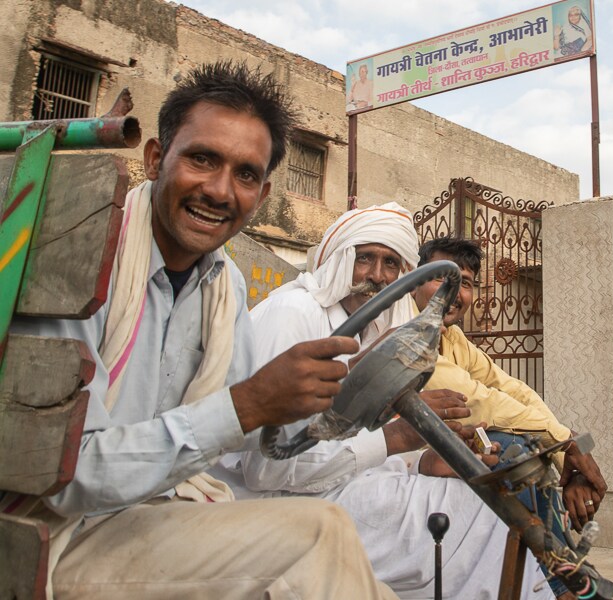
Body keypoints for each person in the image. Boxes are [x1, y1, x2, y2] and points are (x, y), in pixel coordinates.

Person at [4, 61, 397, 600]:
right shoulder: (77, 261)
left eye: (245, 174)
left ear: (261, 196)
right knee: (319, 537)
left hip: (157, 517)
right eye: (202, 159)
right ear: (153, 159)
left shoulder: (225, 286)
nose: (219, 190)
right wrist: (250, 405)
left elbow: (248, 448)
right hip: (52, 535)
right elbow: (67, 476)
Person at [234, 203, 555, 599]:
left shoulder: (375, 331)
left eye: (390, 263)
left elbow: (347, 441)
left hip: (331, 486)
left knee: (485, 500)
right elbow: (265, 470)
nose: (376, 275)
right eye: (364, 258)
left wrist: (420, 460)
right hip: (269, 506)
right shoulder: (293, 315)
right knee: (477, 519)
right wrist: (395, 440)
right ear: (338, 257)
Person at [411, 237, 609, 598]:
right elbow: (476, 401)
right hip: (403, 458)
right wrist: (563, 441)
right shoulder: (407, 333)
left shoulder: (452, 338)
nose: (455, 292)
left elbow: (512, 389)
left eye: (466, 283)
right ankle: (569, 586)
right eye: (443, 277)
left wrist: (567, 452)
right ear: (415, 279)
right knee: (517, 453)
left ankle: (573, 578)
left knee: (528, 450)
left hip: (453, 453)